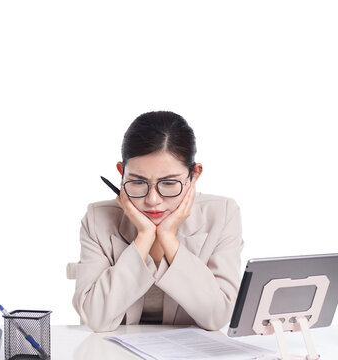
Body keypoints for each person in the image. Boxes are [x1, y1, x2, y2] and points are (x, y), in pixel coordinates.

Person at [72, 111, 243, 332]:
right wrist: (144, 237)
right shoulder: (97, 218)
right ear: (121, 173)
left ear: (194, 175)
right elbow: (95, 318)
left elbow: (217, 316)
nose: (153, 200)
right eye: (137, 182)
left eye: (169, 183)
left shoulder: (222, 215)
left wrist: (168, 239)